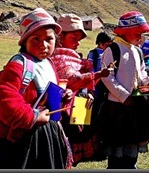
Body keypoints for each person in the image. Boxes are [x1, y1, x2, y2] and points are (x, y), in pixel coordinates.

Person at [0, 8, 74, 169]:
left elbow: (47, 94)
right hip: (24, 137)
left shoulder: (49, 63)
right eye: (36, 39)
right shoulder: (19, 64)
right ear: (24, 41)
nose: (44, 45)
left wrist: (63, 97)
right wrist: (31, 116)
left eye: (49, 39)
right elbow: (2, 94)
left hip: (48, 134)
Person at [50, 14, 110, 167]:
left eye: (79, 40)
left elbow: (82, 81)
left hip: (78, 106)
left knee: (75, 144)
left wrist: (89, 92)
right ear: (60, 35)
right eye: (74, 38)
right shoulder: (54, 57)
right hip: (59, 112)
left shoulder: (75, 58)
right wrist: (96, 74)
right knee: (60, 149)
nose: (77, 43)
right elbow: (71, 78)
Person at [98, 11, 149, 169]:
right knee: (117, 149)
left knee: (132, 146)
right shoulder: (113, 50)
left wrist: (148, 84)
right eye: (137, 33)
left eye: (141, 33)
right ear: (125, 32)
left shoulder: (137, 51)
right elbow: (107, 77)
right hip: (117, 107)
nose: (140, 37)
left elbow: (141, 72)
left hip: (135, 106)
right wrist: (123, 94)